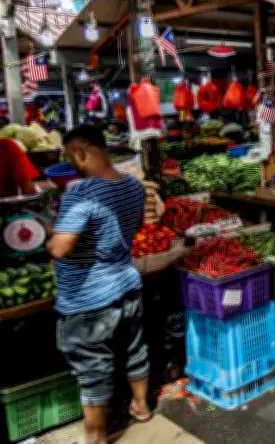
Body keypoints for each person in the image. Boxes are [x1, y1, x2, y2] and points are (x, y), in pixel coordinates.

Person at [45, 125, 150, 444]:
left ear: (80, 153)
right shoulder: (133, 184)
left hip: (89, 298)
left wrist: (47, 236)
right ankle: (141, 406)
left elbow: (60, 249)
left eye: (70, 157)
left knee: (93, 369)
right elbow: (136, 226)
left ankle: (96, 437)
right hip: (127, 284)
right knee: (134, 348)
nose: (71, 164)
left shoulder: (80, 192)